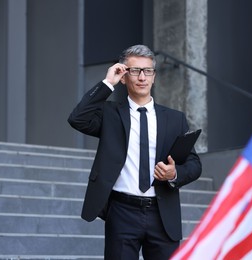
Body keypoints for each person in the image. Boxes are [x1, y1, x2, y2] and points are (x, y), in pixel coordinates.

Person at [68, 44, 202, 260]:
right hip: (122, 211)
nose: (142, 77)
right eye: (134, 71)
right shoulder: (110, 114)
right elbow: (77, 119)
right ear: (123, 76)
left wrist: (174, 174)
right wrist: (107, 83)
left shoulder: (175, 119)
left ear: (154, 76)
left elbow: (195, 164)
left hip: (162, 213)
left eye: (147, 70)